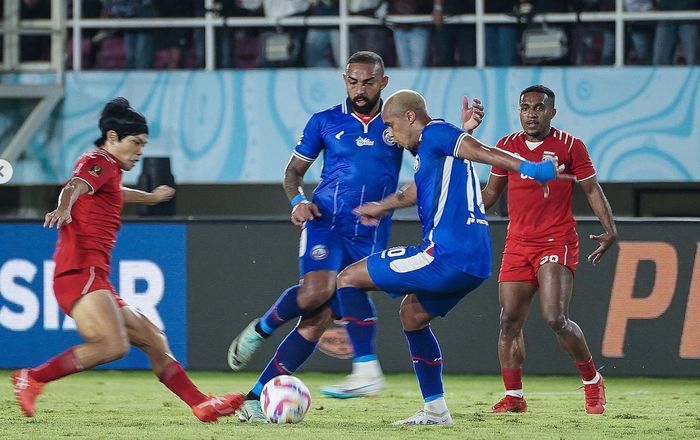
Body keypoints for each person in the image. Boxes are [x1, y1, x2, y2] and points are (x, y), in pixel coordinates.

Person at [226, 51, 484, 422]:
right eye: (352, 81)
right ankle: (261, 328)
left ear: (383, 83)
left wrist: (465, 133)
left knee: (315, 322)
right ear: (344, 80)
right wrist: (297, 201)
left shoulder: (397, 121)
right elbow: (292, 173)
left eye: (367, 82)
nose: (359, 89)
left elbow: (434, 155)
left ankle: (254, 397)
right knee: (316, 290)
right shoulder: (325, 122)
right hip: (326, 221)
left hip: (370, 232)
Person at [335, 89, 566, 425]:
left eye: (392, 124)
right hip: (473, 262)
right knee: (412, 316)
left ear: (411, 117)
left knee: (347, 278)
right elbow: (419, 188)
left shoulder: (437, 133)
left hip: (445, 254)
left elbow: (482, 152)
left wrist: (532, 168)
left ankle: (365, 370)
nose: (390, 134)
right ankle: (435, 411)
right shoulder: (435, 149)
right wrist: (381, 207)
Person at [11, 98, 244, 422]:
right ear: (111, 137)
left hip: (93, 276)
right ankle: (33, 378)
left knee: (153, 337)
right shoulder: (98, 160)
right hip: (80, 272)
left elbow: (114, 191)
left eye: (143, 144)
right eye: (135, 142)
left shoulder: (108, 171)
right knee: (112, 345)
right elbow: (75, 185)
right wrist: (64, 207)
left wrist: (149, 197)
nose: (140, 151)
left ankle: (200, 404)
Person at [483, 85, 616, 414]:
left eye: (539, 107)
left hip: (556, 239)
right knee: (509, 320)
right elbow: (489, 196)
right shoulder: (507, 147)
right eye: (525, 107)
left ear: (551, 112)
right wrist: (456, 211)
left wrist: (610, 230)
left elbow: (591, 189)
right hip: (517, 242)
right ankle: (514, 397)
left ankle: (591, 381)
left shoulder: (571, 146)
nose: (531, 113)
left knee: (555, 317)